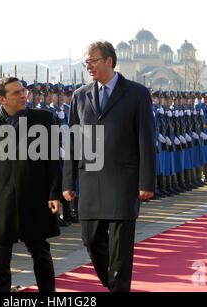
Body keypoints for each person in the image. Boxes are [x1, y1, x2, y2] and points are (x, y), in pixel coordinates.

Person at [62, 41, 156, 292]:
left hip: (123, 181)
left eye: (93, 61)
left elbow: (146, 139)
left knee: (120, 248)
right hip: (91, 181)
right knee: (91, 241)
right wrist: (68, 182)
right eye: (86, 62)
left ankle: (118, 288)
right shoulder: (80, 95)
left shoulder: (136, 93)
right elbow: (73, 141)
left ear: (109, 61)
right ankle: (114, 285)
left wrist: (146, 182)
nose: (88, 66)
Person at [0, 77, 62, 292]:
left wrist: (54, 193)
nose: (23, 95)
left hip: (35, 197)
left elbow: (53, 162)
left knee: (40, 253)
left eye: (22, 91)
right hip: (1, 202)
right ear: (1, 99)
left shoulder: (43, 119)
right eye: (15, 93)